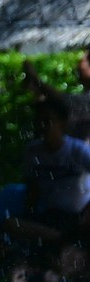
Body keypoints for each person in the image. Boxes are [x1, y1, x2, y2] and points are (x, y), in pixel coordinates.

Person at [21, 96, 90, 236]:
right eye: (38, 121)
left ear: (62, 123)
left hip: (79, 216)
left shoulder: (78, 150)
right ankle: (63, 239)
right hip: (50, 217)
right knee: (11, 223)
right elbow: (31, 189)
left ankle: (64, 239)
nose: (42, 126)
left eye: (47, 121)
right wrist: (29, 215)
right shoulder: (32, 151)